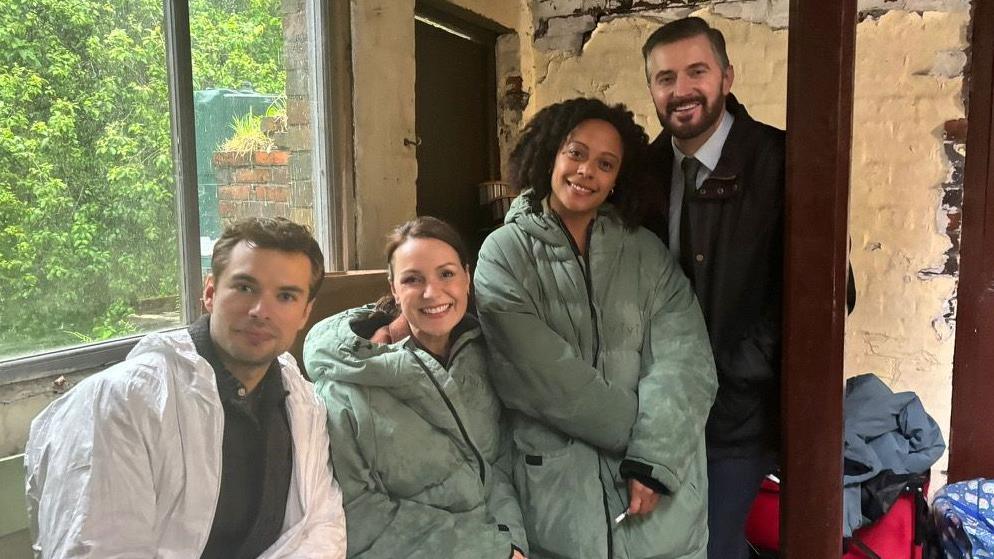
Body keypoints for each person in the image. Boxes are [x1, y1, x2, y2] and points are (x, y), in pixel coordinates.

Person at [474, 97, 718, 559]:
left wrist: (654, 463)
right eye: (576, 153)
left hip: (658, 507)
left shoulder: (647, 254)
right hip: (558, 509)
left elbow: (687, 363)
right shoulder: (502, 254)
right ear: (550, 155)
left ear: (616, 181)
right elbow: (541, 376)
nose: (587, 171)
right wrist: (651, 444)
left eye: (605, 164)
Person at [24, 217, 346, 559]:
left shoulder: (302, 403)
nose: (260, 311)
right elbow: (95, 548)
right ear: (210, 293)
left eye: (285, 296)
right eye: (245, 287)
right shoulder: (120, 404)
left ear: (304, 314)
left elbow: (321, 527)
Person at [640, 17, 785, 559]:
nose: (680, 90)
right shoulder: (641, 173)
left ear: (727, 75)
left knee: (713, 548)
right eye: (664, 78)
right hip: (655, 413)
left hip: (737, 415)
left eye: (696, 71)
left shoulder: (781, 162)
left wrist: (736, 368)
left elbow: (828, 296)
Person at [304, 216, 528, 559]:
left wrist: (512, 544)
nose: (432, 292)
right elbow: (358, 512)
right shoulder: (345, 386)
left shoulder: (483, 358)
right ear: (394, 287)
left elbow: (497, 463)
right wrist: (487, 549)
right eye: (413, 279)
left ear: (467, 278)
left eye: (447, 274)